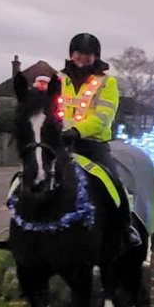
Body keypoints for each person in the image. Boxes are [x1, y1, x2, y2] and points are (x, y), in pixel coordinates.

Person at [59, 32, 141, 252]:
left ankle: (126, 227)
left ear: (96, 56)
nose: (83, 58)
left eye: (88, 54)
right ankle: (23, 231)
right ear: (71, 54)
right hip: (61, 144)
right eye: (79, 53)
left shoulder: (107, 83)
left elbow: (103, 116)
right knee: (32, 177)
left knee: (114, 182)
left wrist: (77, 131)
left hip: (93, 146)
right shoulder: (59, 80)